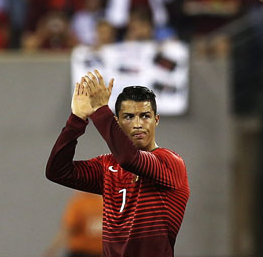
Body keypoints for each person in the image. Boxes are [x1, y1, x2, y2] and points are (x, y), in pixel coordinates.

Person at [46, 70, 190, 257]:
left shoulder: (170, 163)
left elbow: (130, 159)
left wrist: (100, 110)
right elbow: (57, 171)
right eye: (129, 117)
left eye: (145, 116)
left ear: (156, 120)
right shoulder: (108, 166)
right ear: (117, 122)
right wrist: (77, 119)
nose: (138, 124)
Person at [43, 191, 103, 257]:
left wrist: (51, 250)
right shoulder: (103, 204)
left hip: (80, 251)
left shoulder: (79, 203)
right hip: (98, 252)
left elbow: (68, 229)